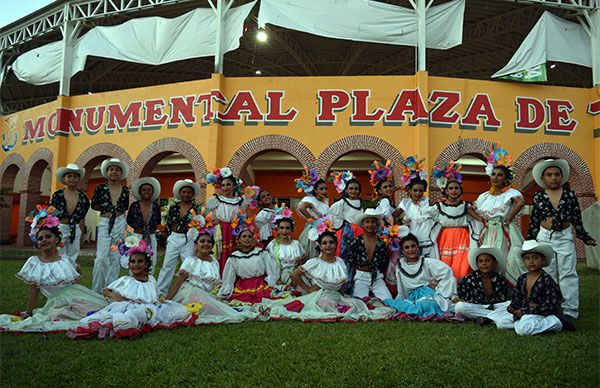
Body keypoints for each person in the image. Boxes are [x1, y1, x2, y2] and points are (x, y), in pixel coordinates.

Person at [0, 207, 107, 332]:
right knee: (60, 315)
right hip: (55, 300)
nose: (44, 240)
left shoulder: (65, 260)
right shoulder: (35, 262)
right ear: (37, 243)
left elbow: (76, 277)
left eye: (48, 237)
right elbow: (34, 289)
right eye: (40, 238)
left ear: (56, 239)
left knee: (97, 310)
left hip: (74, 295)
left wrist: (77, 296)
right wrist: (29, 312)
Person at [254, 230, 395, 322]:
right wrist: (308, 289)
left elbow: (342, 283)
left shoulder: (339, 262)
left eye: (331, 243)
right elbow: (295, 274)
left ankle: (341, 307)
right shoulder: (315, 262)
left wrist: (342, 295)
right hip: (320, 295)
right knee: (325, 304)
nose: (328, 246)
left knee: (357, 304)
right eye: (325, 243)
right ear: (320, 246)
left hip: (336, 295)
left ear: (336, 245)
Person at [68, 237, 193, 339]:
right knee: (126, 314)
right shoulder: (126, 280)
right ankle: (124, 324)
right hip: (126, 305)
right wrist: (114, 296)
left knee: (155, 312)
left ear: (146, 264)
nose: (136, 264)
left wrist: (159, 299)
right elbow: (106, 290)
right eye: (133, 262)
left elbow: (154, 296)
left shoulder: (151, 280)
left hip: (148, 307)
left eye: (140, 261)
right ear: (128, 264)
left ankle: (130, 322)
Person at [527, 158, 596, 320]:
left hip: (564, 237)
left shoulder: (570, 194)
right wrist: (530, 240)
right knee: (547, 272)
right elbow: (534, 219)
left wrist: (584, 236)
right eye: (549, 175)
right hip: (544, 237)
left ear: (562, 176)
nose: (554, 178)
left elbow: (577, 218)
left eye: (557, 174)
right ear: (543, 178)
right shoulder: (538, 195)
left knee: (568, 273)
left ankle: (570, 310)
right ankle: (549, 306)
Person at [166, 216, 257, 324]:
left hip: (207, 293)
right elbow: (177, 283)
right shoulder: (190, 260)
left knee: (218, 306)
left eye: (209, 241)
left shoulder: (214, 261)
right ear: (196, 245)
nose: (205, 244)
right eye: (202, 241)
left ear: (212, 245)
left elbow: (214, 284)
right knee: (212, 308)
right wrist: (167, 301)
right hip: (191, 292)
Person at [486, 240, 575, 335]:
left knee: (523, 330)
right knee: (501, 323)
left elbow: (551, 306)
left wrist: (526, 310)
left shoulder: (547, 280)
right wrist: (513, 309)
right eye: (527, 258)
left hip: (540, 314)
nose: (531, 261)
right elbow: (516, 299)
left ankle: (557, 322)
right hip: (524, 312)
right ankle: (525, 323)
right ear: (523, 261)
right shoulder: (522, 279)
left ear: (543, 260)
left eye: (535, 258)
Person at [468, 144, 525, 285]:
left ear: (505, 179)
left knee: (505, 259)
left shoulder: (511, 194)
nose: (495, 177)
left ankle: (507, 291)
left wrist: (509, 217)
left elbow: (520, 203)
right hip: (488, 232)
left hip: (504, 231)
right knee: (488, 260)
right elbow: (469, 209)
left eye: (500, 175)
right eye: (493, 174)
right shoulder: (484, 197)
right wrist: (481, 220)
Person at [383, 233, 458, 321]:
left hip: (428, 294)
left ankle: (416, 310)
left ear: (418, 247)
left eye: (413, 246)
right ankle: (414, 309)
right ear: (402, 250)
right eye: (406, 247)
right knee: (387, 302)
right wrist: (402, 299)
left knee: (425, 305)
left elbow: (447, 273)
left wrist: (438, 288)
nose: (411, 249)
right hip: (411, 297)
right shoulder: (400, 265)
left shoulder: (427, 262)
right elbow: (401, 289)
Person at [91, 158, 130, 293]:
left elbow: (124, 206)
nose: (114, 172)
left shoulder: (124, 189)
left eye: (117, 170)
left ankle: (110, 289)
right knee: (101, 258)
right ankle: (96, 290)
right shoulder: (101, 188)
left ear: (121, 173)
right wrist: (109, 208)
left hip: (119, 222)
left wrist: (115, 210)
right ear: (107, 172)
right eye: (111, 169)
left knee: (115, 257)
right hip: (105, 223)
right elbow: (94, 204)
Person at [217, 218, 278, 304]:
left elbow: (271, 271)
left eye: (249, 236)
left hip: (261, 285)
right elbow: (228, 279)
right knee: (243, 303)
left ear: (253, 239)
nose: (247, 239)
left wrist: (271, 284)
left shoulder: (262, 253)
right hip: (243, 287)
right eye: (244, 236)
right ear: (239, 240)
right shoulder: (234, 257)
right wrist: (224, 293)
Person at [157, 179, 200, 295]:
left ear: (192, 194)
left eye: (189, 192)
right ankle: (160, 292)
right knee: (167, 265)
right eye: (184, 192)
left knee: (187, 267)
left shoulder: (196, 209)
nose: (186, 194)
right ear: (180, 193)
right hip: (174, 237)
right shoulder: (174, 207)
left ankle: (186, 293)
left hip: (189, 239)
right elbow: (169, 224)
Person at [430, 162, 472, 279]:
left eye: (456, 188)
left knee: (462, 264)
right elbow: (426, 217)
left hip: (462, 237)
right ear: (446, 191)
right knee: (445, 264)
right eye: (451, 188)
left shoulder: (466, 206)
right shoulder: (438, 207)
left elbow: (478, 218)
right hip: (445, 237)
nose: (454, 191)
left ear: (460, 190)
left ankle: (460, 290)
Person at [204, 167, 246, 273]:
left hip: (234, 230)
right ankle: (220, 276)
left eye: (228, 184)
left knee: (234, 252)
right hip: (220, 230)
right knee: (220, 253)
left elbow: (243, 216)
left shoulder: (240, 201)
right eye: (223, 185)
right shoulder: (216, 199)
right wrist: (213, 219)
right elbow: (206, 212)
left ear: (234, 186)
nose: (226, 187)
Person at [454, 246, 511, 322]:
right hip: (476, 307)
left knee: (510, 304)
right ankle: (494, 317)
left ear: (495, 263)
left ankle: (487, 318)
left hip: (495, 307)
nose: (484, 263)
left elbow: (502, 300)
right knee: (459, 307)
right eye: (480, 261)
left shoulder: (501, 280)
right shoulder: (467, 280)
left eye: (487, 260)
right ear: (477, 264)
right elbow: (463, 298)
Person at [329, 171, 364, 290]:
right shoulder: (341, 203)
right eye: (351, 188)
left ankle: (356, 286)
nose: (353, 191)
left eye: (356, 189)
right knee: (346, 258)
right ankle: (344, 285)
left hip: (360, 233)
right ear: (346, 190)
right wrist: (342, 225)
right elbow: (333, 215)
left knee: (357, 259)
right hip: (348, 234)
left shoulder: (362, 203)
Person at [398, 156, 438, 260]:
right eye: (415, 190)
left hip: (426, 238)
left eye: (421, 191)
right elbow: (393, 216)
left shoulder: (428, 202)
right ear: (410, 190)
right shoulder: (405, 203)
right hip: (410, 240)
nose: (418, 193)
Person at [347, 209, 392, 300]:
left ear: (377, 224)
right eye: (367, 222)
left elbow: (384, 261)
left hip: (377, 277)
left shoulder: (381, 242)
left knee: (388, 301)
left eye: (373, 222)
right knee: (359, 303)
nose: (370, 225)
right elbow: (351, 260)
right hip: (361, 276)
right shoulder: (356, 241)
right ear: (362, 224)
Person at [50, 163, 90, 264]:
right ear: (64, 179)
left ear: (79, 179)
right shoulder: (58, 195)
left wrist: (74, 220)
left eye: (75, 176)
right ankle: (59, 277)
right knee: (59, 252)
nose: (72, 179)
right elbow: (52, 212)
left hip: (75, 228)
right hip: (60, 227)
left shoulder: (83, 197)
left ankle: (70, 277)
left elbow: (83, 212)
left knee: (73, 254)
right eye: (69, 176)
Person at [265, 205, 306, 288]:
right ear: (278, 230)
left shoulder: (296, 244)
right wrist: (278, 279)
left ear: (291, 230)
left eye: (287, 228)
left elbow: (302, 264)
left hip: (297, 276)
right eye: (281, 228)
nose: (284, 231)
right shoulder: (272, 245)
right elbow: (269, 265)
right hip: (278, 276)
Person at [127, 177, 162, 275]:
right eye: (144, 190)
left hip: (151, 236)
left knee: (151, 258)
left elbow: (158, 220)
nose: (146, 192)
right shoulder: (134, 205)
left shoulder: (155, 206)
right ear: (140, 192)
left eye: (149, 190)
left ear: (152, 192)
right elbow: (129, 219)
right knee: (135, 258)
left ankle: (148, 281)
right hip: (137, 236)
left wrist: (149, 228)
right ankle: (133, 280)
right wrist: (139, 227)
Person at [295, 167, 330, 258]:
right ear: (315, 190)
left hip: (323, 230)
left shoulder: (325, 205)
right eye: (321, 189)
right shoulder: (311, 199)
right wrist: (311, 218)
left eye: (325, 189)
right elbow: (301, 207)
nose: (324, 191)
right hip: (312, 229)